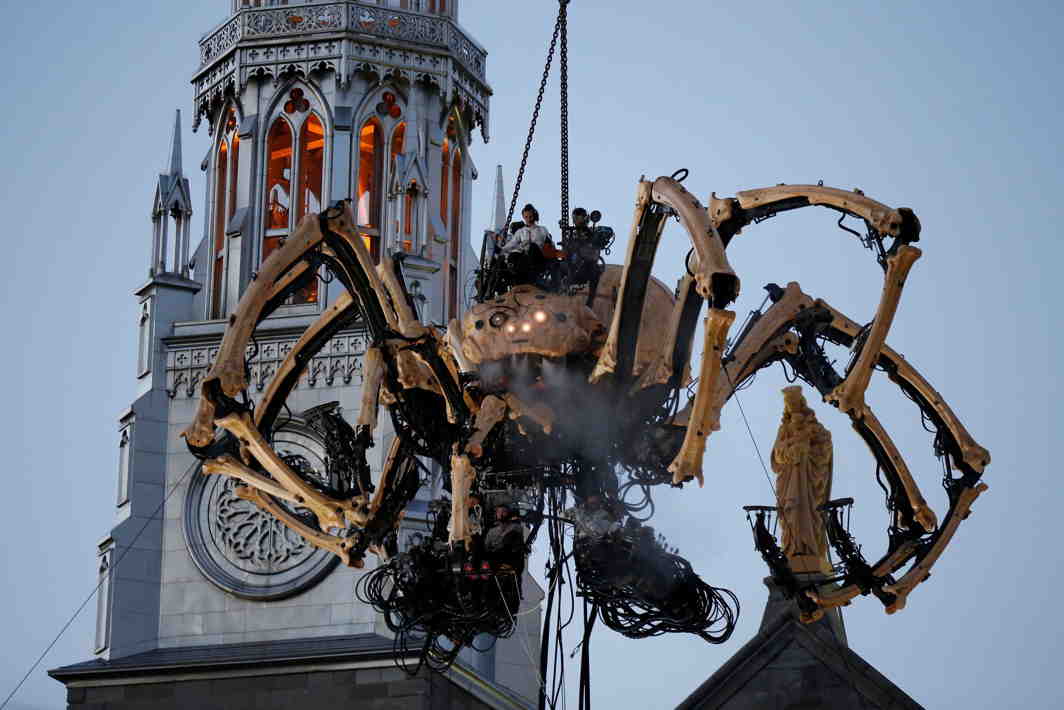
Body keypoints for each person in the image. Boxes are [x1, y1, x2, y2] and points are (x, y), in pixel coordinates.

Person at [494, 204, 554, 286]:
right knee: (514, 255)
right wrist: (501, 250)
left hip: (538, 258)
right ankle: (515, 278)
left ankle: (533, 277)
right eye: (526, 217)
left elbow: (551, 244)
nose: (528, 219)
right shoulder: (521, 231)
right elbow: (512, 243)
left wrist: (549, 245)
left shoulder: (542, 230)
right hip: (525, 259)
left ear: (534, 215)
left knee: (532, 247)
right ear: (523, 217)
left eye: (530, 216)